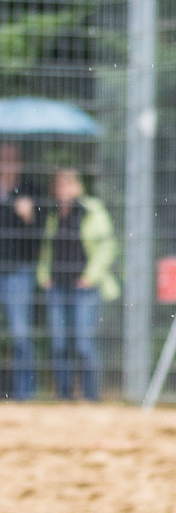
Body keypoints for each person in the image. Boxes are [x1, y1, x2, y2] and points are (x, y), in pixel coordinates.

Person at [36, 168, 119, 401]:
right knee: (59, 343)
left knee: (84, 343)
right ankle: (63, 396)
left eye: (68, 185)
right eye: (59, 185)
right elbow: (46, 249)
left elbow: (106, 247)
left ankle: (91, 396)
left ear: (78, 187)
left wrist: (90, 276)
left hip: (85, 288)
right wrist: (44, 275)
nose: (63, 190)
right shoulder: (53, 214)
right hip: (58, 287)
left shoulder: (91, 211)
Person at [0, 143, 40, 399]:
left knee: (20, 334)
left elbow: (41, 237)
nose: (7, 164)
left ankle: (25, 395)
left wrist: (29, 216)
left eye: (12, 159)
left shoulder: (29, 190)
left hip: (18, 270)